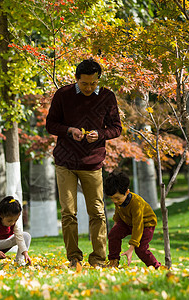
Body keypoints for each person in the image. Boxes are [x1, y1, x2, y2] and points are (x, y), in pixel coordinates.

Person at [46, 58, 122, 268]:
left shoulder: (107, 96)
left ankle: (98, 258)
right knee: (68, 212)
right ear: (77, 79)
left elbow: (116, 127)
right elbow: (51, 124)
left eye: (93, 83)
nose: (89, 87)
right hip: (65, 162)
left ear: (98, 79)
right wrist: (69, 130)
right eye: (85, 83)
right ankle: (74, 258)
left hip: (92, 163)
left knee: (97, 212)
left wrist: (99, 134)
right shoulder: (63, 95)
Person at [104, 171, 161, 269]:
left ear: (127, 192)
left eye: (117, 198)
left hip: (146, 224)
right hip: (128, 221)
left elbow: (138, 225)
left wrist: (131, 248)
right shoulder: (118, 200)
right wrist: (116, 224)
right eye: (112, 199)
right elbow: (118, 211)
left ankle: (156, 267)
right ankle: (113, 261)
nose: (114, 201)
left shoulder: (136, 203)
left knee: (140, 249)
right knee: (113, 234)